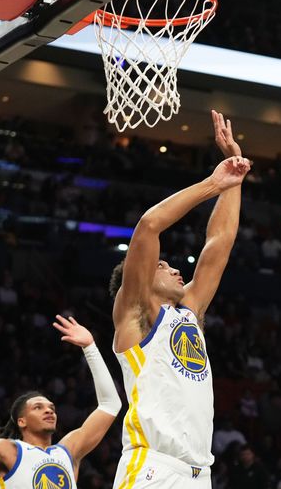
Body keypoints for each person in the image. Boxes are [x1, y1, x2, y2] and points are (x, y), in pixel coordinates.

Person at [108, 110, 250, 488]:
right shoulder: (135, 314)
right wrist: (212, 183)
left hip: (199, 472)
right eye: (162, 265)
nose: (173, 269)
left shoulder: (188, 311)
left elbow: (220, 242)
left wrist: (233, 177)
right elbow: (149, 226)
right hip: (152, 466)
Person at [0, 315, 121, 488]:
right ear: (21, 421)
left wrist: (90, 348)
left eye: (52, 408)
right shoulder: (6, 450)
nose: (49, 411)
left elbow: (111, 405)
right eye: (38, 407)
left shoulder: (68, 451)